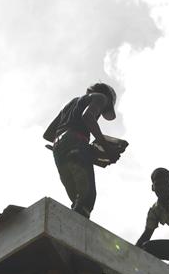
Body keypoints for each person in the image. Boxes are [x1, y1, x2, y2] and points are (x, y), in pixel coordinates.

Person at [43, 81, 126, 218]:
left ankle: (70, 226)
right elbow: (88, 116)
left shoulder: (70, 105)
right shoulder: (101, 97)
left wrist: (70, 147)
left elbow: (48, 135)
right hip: (76, 141)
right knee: (87, 198)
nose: (100, 113)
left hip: (58, 149)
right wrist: (106, 148)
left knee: (77, 199)